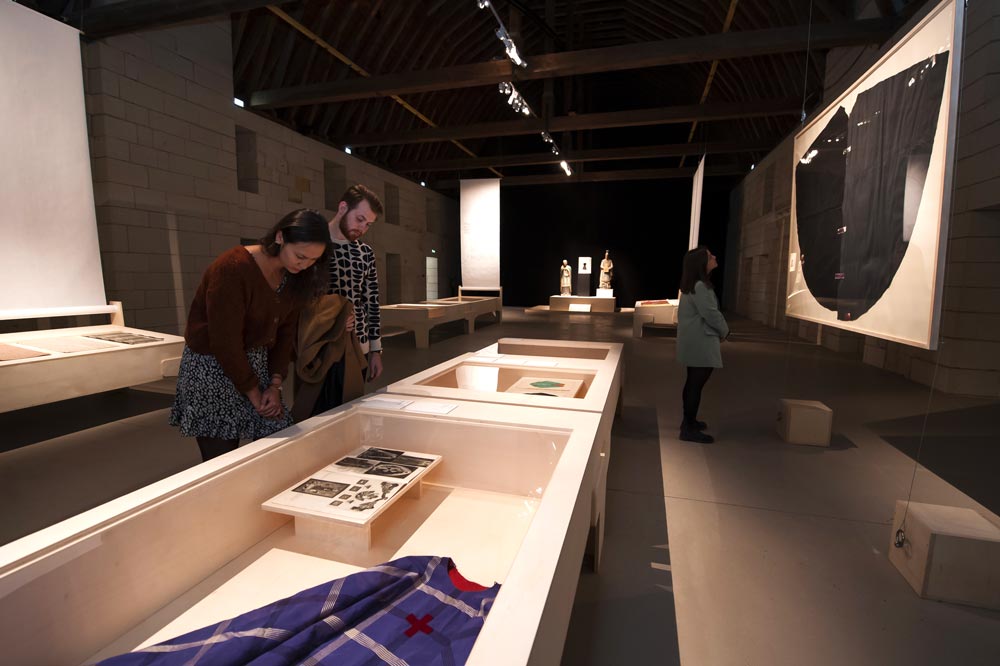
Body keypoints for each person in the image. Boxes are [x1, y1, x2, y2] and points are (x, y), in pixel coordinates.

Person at [170, 209, 331, 461]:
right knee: (221, 457)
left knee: (277, 439)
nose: (305, 265)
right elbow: (225, 340)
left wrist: (275, 385)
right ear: (280, 237)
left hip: (256, 363)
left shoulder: (295, 278)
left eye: (313, 260)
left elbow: (286, 333)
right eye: (300, 256)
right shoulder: (233, 267)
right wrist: (254, 392)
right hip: (212, 366)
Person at [310, 184, 385, 415]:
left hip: (357, 348)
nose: (362, 228)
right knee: (318, 415)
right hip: (320, 347)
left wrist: (375, 350)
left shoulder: (365, 253)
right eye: (359, 219)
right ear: (343, 207)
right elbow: (304, 298)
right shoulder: (315, 247)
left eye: (368, 224)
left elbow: (372, 301)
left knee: (349, 414)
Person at [676, 246, 729, 444]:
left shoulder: (695, 285)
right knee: (695, 385)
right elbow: (711, 314)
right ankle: (688, 427)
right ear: (701, 263)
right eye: (709, 256)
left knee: (692, 383)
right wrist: (725, 331)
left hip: (695, 341)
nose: (714, 256)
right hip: (701, 341)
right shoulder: (700, 286)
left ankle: (688, 422)